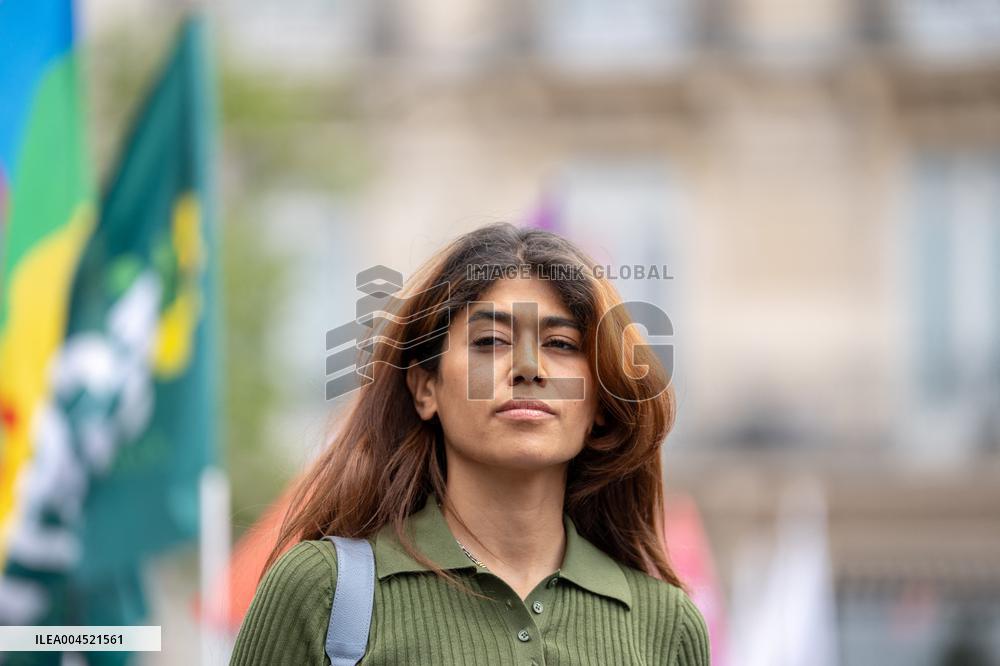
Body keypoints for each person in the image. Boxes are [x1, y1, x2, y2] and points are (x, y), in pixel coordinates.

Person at [230, 221, 711, 665]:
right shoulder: (322, 592)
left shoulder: (665, 626)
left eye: (561, 344)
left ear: (600, 403)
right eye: (490, 341)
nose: (528, 368)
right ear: (425, 388)